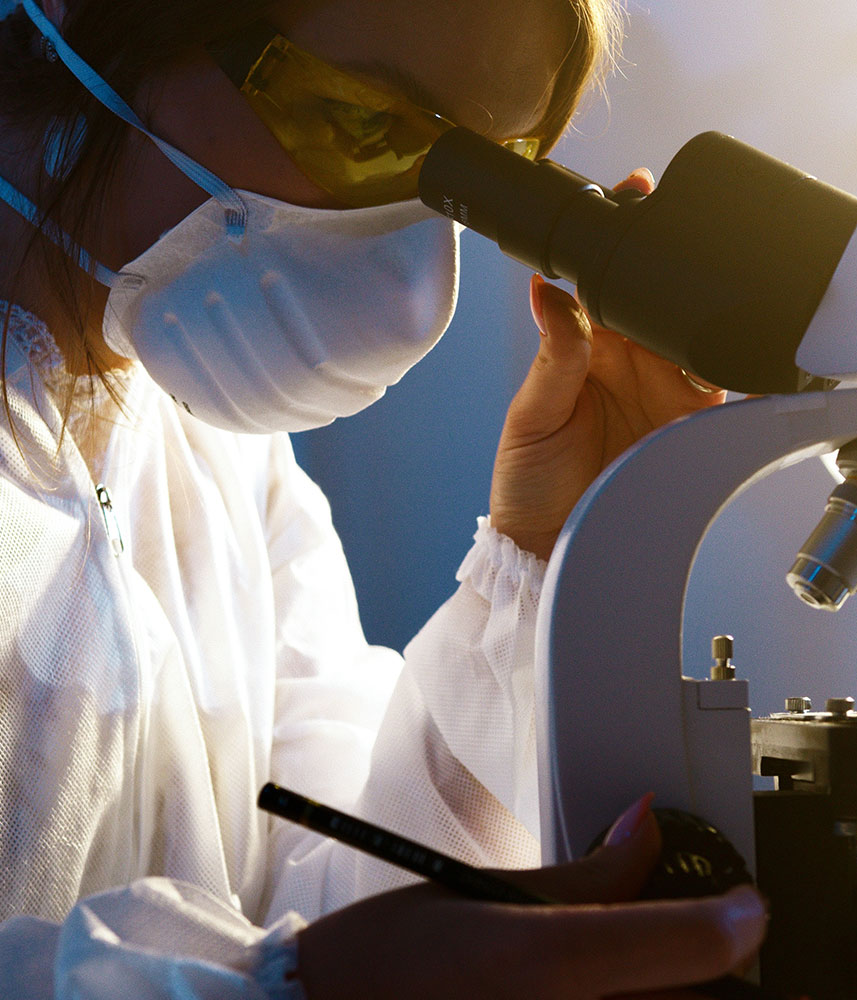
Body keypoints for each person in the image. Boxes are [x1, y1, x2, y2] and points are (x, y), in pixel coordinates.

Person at [0, 0, 767, 996]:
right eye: (367, 125)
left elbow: (342, 899)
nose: (412, 256)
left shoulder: (226, 463)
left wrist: (536, 555)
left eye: (472, 180)